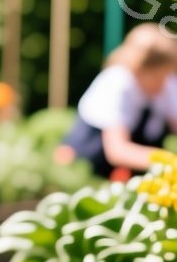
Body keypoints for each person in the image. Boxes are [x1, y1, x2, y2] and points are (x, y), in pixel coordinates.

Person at [56, 23, 177, 181]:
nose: (163, 83)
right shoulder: (118, 82)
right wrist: (168, 161)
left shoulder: (166, 84)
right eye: (158, 77)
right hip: (90, 172)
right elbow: (117, 151)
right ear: (139, 68)